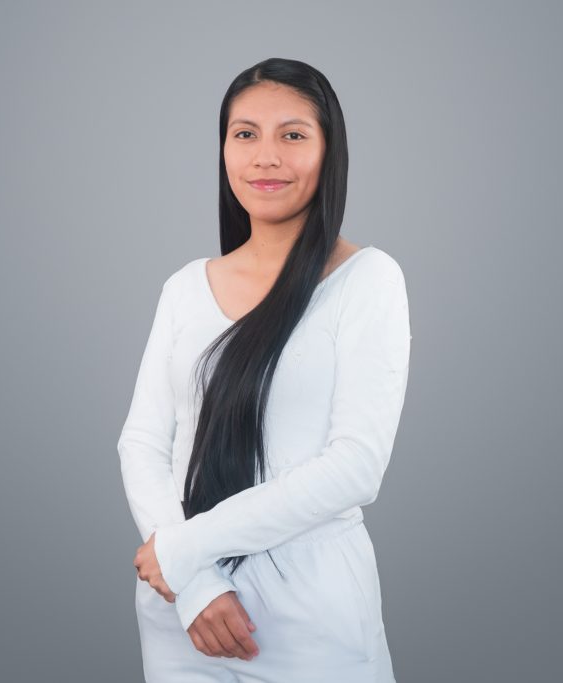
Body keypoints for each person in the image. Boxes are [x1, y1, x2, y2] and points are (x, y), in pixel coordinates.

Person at [117, 57, 410, 682]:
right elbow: (142, 442)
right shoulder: (185, 288)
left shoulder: (367, 280)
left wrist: (186, 548)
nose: (266, 157)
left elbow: (356, 464)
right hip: (182, 614)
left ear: (330, 151)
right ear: (224, 149)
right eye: (245, 134)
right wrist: (194, 583)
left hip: (310, 613)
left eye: (293, 135)